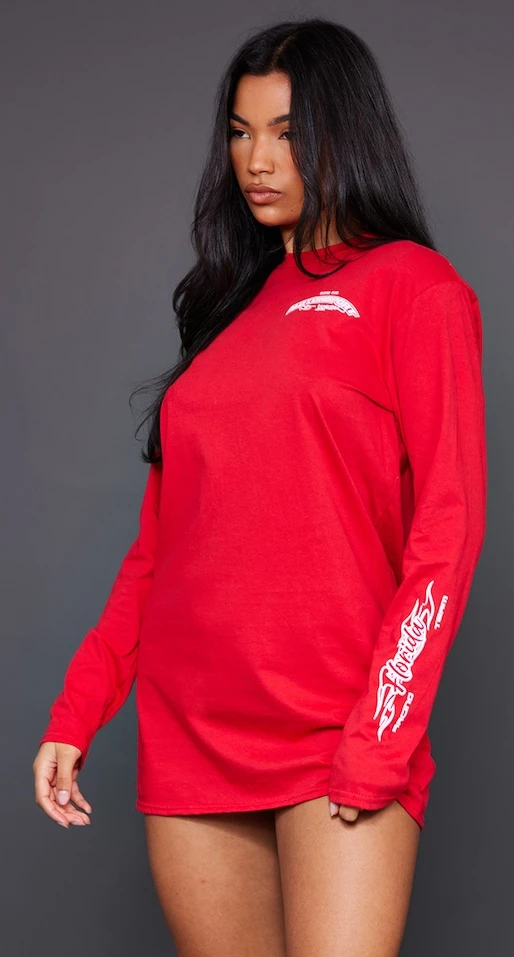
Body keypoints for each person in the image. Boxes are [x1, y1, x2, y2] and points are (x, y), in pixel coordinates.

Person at [32, 16, 487, 957]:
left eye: (287, 131)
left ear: (343, 131)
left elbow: (448, 530)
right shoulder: (226, 310)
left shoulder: (413, 287)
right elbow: (160, 550)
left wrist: (381, 736)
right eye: (240, 133)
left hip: (335, 726)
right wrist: (77, 710)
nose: (258, 160)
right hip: (190, 731)